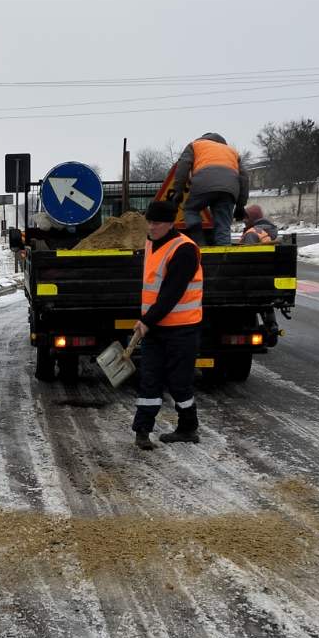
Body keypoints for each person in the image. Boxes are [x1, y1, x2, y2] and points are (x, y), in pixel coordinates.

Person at [131, 199, 203, 449]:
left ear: (171, 223)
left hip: (181, 329)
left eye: (157, 223)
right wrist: (146, 321)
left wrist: (146, 320)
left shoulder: (184, 250)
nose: (151, 227)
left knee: (179, 383)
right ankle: (142, 431)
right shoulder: (151, 243)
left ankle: (188, 428)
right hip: (156, 329)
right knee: (149, 380)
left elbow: (171, 294)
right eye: (149, 221)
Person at [167, 132, 248, 245]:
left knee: (191, 210)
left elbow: (183, 166)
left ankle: (199, 240)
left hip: (203, 183)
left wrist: (178, 191)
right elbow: (244, 178)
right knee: (223, 224)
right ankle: (223, 255)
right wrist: (241, 205)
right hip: (229, 189)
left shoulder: (195, 145)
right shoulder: (232, 151)